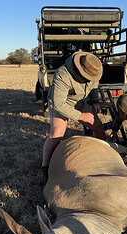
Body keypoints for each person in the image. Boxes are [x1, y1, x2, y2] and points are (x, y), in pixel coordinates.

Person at [42, 51, 106, 185]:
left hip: (78, 102)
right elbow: (59, 104)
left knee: (99, 127)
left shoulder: (94, 70)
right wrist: (81, 116)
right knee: (56, 134)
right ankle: (45, 167)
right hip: (62, 102)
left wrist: (95, 101)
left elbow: (94, 87)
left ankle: (103, 156)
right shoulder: (63, 74)